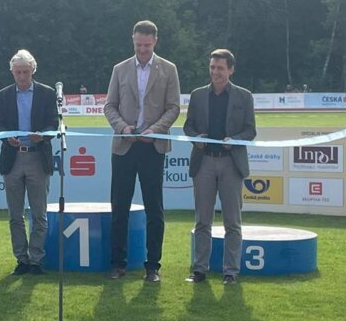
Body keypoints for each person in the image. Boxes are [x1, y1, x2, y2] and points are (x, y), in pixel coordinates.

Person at [104, 20, 181, 282]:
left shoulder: (168, 69)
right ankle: (118, 263)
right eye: (138, 45)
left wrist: (155, 130)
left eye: (147, 46)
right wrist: (123, 127)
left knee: (154, 209)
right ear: (132, 40)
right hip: (124, 147)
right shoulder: (120, 69)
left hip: (153, 147)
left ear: (155, 42)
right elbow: (109, 106)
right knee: (120, 208)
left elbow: (173, 107)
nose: (143, 50)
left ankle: (153, 266)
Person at [182, 49, 256, 285]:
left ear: (231, 70)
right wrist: (197, 138)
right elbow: (188, 126)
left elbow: (250, 130)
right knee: (202, 220)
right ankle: (199, 269)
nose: (215, 72)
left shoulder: (244, 97)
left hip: (231, 164)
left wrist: (233, 140)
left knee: (232, 222)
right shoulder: (197, 95)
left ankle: (230, 272)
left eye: (220, 68)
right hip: (203, 161)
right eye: (212, 67)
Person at [0, 49, 59, 276]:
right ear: (12, 72)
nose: (21, 76)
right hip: (12, 157)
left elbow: (54, 124)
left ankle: (36, 260)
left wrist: (43, 135)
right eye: (17, 72)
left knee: (39, 214)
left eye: (25, 72)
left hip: (37, 156)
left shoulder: (47, 93)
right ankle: (21, 259)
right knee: (15, 215)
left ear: (33, 70)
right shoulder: (3, 95)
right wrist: (6, 137)